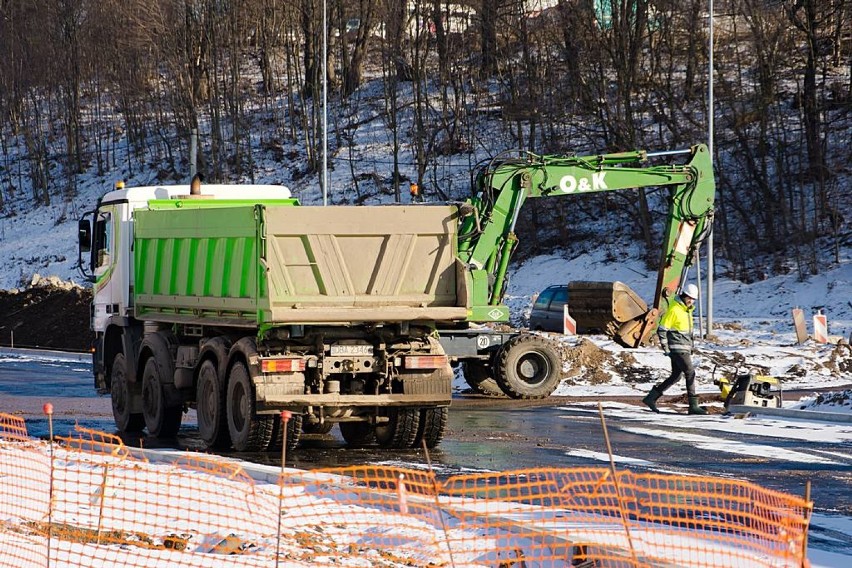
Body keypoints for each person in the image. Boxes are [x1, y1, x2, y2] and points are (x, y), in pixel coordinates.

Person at [642, 283, 707, 415]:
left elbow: (685, 333)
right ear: (683, 295)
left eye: (693, 299)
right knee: (690, 372)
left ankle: (651, 398)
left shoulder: (686, 311)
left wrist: (691, 347)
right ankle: (693, 406)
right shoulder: (674, 310)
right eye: (689, 298)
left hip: (684, 348)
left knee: (676, 376)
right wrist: (666, 348)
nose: (691, 301)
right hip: (677, 349)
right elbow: (662, 329)